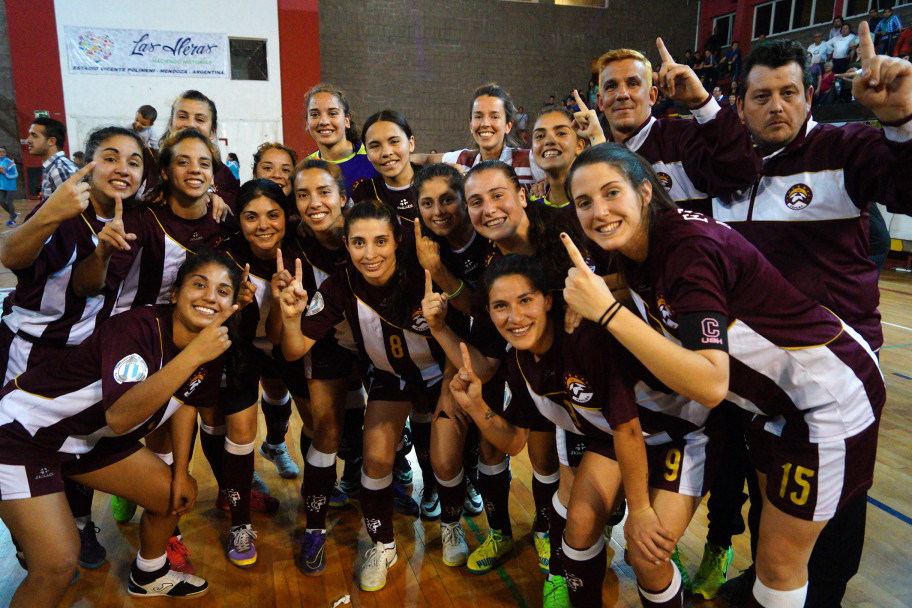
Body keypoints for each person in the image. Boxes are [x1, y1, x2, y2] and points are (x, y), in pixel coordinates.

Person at [562, 142, 885, 608]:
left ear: (645, 193)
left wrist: (608, 311)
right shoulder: (640, 250)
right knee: (771, 555)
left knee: (779, 565)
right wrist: (603, 291)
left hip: (828, 399)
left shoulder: (688, 250)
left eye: (612, 193)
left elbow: (712, 382)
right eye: (584, 202)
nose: (600, 211)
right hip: (773, 405)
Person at [712, 28, 912, 606]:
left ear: (807, 95)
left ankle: (819, 594)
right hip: (764, 378)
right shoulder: (727, 168)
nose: (778, 105)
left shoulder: (845, 148)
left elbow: (907, 185)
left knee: (838, 507)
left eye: (790, 93)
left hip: (839, 373)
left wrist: (901, 123)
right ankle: (774, 582)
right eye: (762, 96)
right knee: (771, 491)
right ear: (740, 103)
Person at [0, 250, 240, 606]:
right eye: (199, 284)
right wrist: (194, 355)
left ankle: (150, 574)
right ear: (175, 293)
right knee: (57, 565)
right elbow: (120, 417)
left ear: (233, 305)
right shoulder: (137, 328)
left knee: (172, 494)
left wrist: (178, 472)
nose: (209, 296)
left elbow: (186, 403)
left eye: (223, 291)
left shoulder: (212, 345)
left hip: (85, 438)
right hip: (23, 435)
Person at [279, 200, 465, 592]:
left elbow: (467, 342)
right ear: (346, 245)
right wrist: (292, 316)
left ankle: (452, 525)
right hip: (388, 378)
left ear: (397, 240)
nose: (370, 253)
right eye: (359, 243)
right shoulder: (340, 284)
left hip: (439, 376)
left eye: (380, 241)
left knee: (446, 462)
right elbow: (294, 350)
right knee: (376, 457)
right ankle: (383, 545)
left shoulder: (424, 276)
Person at [272, 159, 369, 577]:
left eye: (324, 192)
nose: (314, 203)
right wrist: (286, 310)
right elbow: (287, 342)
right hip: (322, 344)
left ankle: (380, 483)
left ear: (343, 197)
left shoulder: (367, 233)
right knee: (326, 429)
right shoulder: (292, 247)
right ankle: (314, 528)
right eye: (303, 194)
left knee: (373, 428)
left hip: (376, 341)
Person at [418, 84, 546, 188]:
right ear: (470, 124)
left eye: (494, 117)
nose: (485, 124)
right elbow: (424, 159)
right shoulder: (463, 160)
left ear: (508, 125)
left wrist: (552, 182)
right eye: (478, 117)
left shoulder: (529, 160)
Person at [303, 84, 378, 194]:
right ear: (307, 123)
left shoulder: (374, 157)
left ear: (346, 120)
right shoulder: (305, 168)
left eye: (332, 113)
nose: (324, 121)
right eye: (314, 114)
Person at [352, 109, 421, 222]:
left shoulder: (434, 182)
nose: (386, 152)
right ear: (367, 153)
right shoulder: (364, 193)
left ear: (411, 143)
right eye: (375, 146)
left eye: (394, 142)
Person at [26, 117, 77, 202]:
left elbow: (70, 209)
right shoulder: (52, 167)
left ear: (51, 141)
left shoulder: (60, 169)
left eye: (34, 136)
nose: (28, 140)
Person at [0, 146, 19, 225]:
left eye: (3, 151)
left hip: (10, 186)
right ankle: (13, 214)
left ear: (6, 153)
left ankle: (12, 220)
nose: (1, 153)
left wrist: (5, 173)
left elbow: (15, 174)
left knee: (9, 202)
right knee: (1, 202)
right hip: (1, 186)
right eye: (0, 152)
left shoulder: (10, 162)